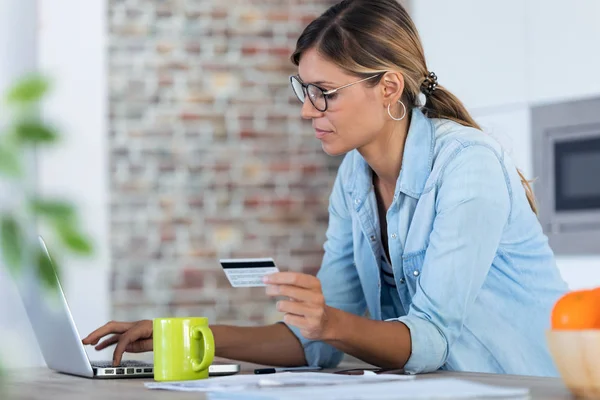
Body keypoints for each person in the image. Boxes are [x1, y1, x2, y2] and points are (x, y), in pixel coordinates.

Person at [83, 0, 568, 376]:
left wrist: (328, 323)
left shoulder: (468, 165)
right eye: (304, 90)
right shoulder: (354, 181)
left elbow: (432, 337)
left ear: (389, 88)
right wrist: (180, 335)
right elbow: (313, 340)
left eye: (325, 94)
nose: (307, 110)